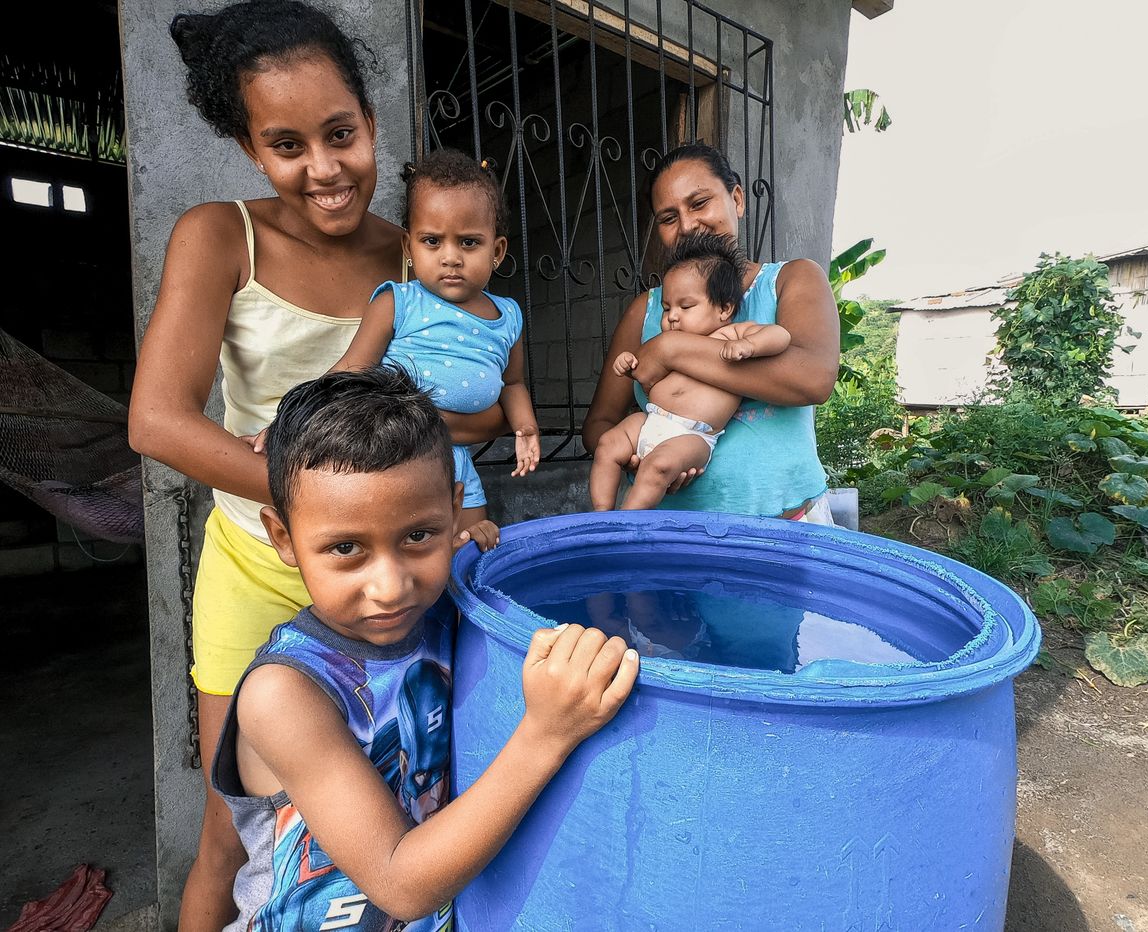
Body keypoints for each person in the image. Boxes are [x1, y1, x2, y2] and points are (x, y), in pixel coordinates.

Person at [127, 3, 505, 927]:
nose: (325, 168)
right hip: (259, 562)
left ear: (371, 123)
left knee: (410, 785)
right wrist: (321, 512)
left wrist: (434, 483)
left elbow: (475, 403)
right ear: (249, 148)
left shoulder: (417, 252)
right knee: (230, 831)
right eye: (287, 145)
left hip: (396, 568)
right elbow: (157, 421)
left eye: (340, 135)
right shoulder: (222, 235)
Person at [214, 364, 638, 929]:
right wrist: (548, 734)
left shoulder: (442, 615)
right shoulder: (286, 694)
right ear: (283, 538)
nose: (391, 587)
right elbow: (400, 885)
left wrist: (471, 561)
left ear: (454, 509)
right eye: (346, 548)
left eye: (418, 536)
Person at [582, 143, 840, 523]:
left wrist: (670, 349)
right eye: (668, 217)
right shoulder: (646, 310)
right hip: (666, 531)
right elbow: (598, 425)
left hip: (786, 527)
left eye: (700, 203)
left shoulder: (792, 279)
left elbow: (813, 379)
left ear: (736, 199)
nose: (687, 225)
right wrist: (636, 456)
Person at [290, 147, 539, 531]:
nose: (451, 257)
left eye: (469, 243)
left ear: (498, 250)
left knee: (472, 545)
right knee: (411, 543)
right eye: (433, 241)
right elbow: (349, 372)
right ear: (409, 248)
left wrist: (527, 429)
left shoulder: (508, 317)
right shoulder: (398, 303)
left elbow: (513, 383)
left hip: (457, 462)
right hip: (394, 458)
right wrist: (294, 420)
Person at [589, 232, 790, 511]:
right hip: (651, 419)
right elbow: (643, 372)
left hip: (694, 436)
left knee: (658, 467)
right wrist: (628, 362)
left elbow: (780, 335)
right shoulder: (663, 343)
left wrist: (750, 345)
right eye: (666, 308)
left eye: (686, 306)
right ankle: (602, 514)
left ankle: (626, 522)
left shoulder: (730, 335)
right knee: (608, 443)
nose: (672, 316)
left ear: (724, 308)